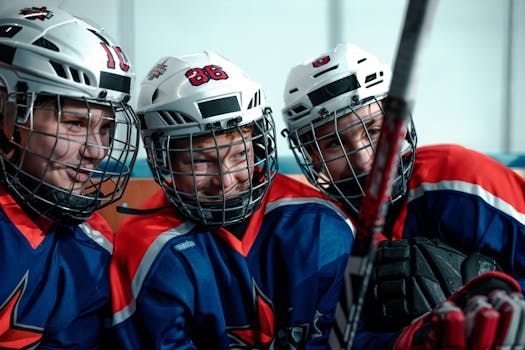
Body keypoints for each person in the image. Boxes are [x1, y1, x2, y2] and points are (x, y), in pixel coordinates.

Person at [281, 43, 525, 349]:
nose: (362, 157)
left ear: (399, 125)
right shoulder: (322, 231)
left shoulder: (463, 179)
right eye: (333, 143)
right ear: (311, 155)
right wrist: (407, 341)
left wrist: (503, 310)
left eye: (372, 129)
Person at [109, 51, 355, 349]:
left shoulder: (318, 225)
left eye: (239, 154)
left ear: (258, 145)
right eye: (200, 161)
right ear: (163, 161)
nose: (225, 181)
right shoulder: (147, 246)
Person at [0, 5, 140, 348]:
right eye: (75, 123)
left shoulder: (91, 244)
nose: (96, 151)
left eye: (106, 128)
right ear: (7, 111)